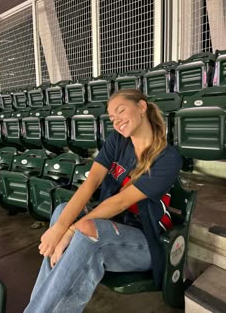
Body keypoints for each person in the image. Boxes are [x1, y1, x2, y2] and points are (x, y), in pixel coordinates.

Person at [24, 89, 182, 313]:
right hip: (111, 225)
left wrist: (69, 232)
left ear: (142, 107)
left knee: (87, 230)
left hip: (145, 242)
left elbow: (119, 203)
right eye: (112, 118)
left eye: (121, 112)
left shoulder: (168, 157)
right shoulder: (118, 141)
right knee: (62, 211)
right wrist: (60, 227)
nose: (117, 122)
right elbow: (91, 183)